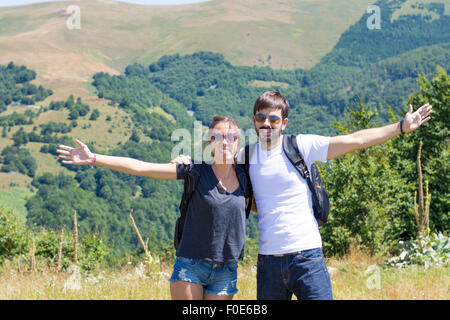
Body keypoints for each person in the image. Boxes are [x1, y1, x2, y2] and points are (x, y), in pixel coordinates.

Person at [172, 91, 433, 300]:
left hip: (307, 257)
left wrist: (401, 126)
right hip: (268, 263)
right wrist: (186, 162)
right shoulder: (245, 156)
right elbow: (219, 170)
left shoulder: (301, 146)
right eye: (261, 118)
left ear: (284, 123)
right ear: (254, 120)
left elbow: (356, 140)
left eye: (273, 119)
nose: (266, 124)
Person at [56, 115, 251, 300]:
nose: (225, 142)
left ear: (238, 141)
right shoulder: (194, 171)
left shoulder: (246, 178)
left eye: (231, 137)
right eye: (218, 137)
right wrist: (94, 158)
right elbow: (141, 167)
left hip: (226, 269)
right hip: (191, 266)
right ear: (210, 142)